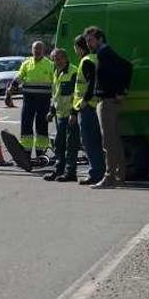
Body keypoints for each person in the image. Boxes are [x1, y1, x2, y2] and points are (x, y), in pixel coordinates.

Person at [83, 26, 133, 189]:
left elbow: (126, 67)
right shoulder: (104, 53)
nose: (88, 43)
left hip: (107, 102)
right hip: (107, 101)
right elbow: (126, 66)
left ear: (100, 39)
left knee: (109, 142)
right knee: (114, 141)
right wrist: (122, 91)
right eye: (87, 40)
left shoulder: (105, 54)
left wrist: (121, 91)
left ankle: (110, 177)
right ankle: (119, 176)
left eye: (90, 40)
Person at [10, 41, 55, 154]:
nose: (37, 51)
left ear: (43, 50)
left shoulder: (49, 65)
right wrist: (13, 85)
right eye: (35, 49)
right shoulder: (26, 63)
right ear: (32, 50)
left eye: (39, 49)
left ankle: (41, 153)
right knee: (26, 125)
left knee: (42, 126)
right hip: (29, 99)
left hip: (43, 100)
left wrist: (55, 101)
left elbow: (55, 83)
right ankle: (26, 152)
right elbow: (20, 75)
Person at [72, 35, 105, 185]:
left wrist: (84, 101)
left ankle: (96, 173)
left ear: (79, 48)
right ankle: (99, 170)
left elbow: (91, 84)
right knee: (96, 142)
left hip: (88, 107)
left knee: (90, 142)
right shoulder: (95, 57)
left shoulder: (86, 61)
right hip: (95, 105)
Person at [45, 48, 80, 182]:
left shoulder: (73, 72)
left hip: (71, 115)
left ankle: (70, 172)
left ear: (65, 58)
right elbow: (55, 95)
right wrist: (51, 111)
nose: (56, 61)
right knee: (59, 144)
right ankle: (59, 170)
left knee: (71, 144)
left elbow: (77, 95)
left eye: (59, 58)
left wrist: (74, 113)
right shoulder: (56, 72)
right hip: (60, 115)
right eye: (54, 59)